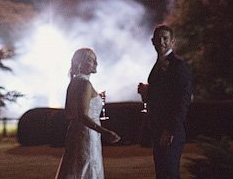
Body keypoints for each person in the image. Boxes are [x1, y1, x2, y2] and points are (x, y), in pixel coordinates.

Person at [55, 48, 121, 179]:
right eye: (91, 60)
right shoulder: (85, 84)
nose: (96, 63)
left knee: (74, 166)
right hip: (88, 134)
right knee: (87, 166)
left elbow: (68, 114)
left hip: (75, 132)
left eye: (95, 60)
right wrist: (105, 131)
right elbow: (83, 115)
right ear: (80, 63)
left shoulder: (73, 83)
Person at [137, 24, 193, 179]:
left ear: (172, 41)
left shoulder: (179, 66)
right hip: (157, 128)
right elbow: (161, 97)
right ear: (152, 41)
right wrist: (146, 93)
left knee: (169, 173)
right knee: (162, 173)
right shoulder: (157, 65)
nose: (161, 42)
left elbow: (182, 101)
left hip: (170, 131)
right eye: (158, 39)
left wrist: (170, 130)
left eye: (165, 38)